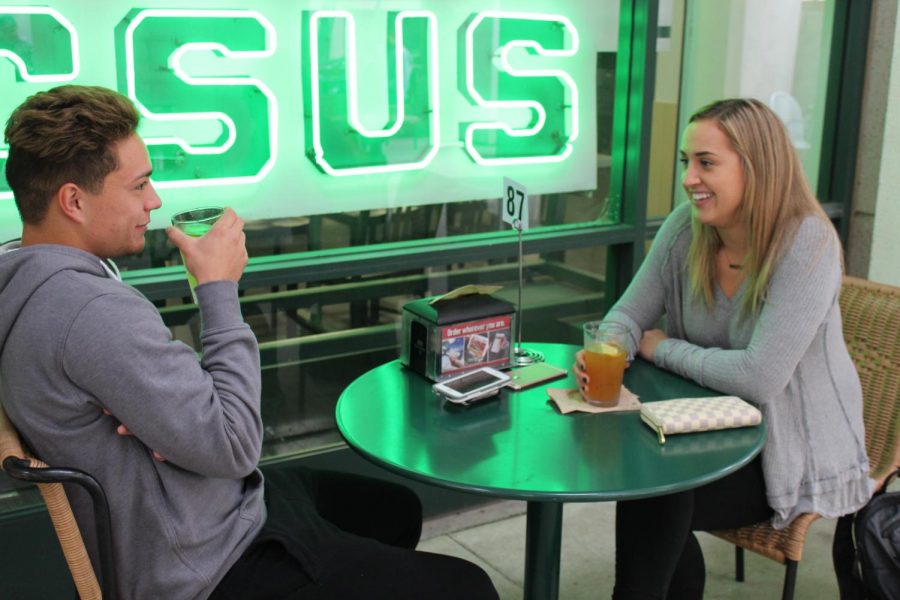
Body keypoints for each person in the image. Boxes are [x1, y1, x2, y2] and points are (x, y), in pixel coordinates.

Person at [0, 85, 498, 600]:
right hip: (208, 562)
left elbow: (197, 419)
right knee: (470, 587)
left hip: (204, 506)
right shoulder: (91, 312)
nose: (155, 201)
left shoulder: (24, 280)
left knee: (394, 509)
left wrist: (172, 416)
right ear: (74, 201)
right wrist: (217, 289)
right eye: (138, 185)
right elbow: (236, 445)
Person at [573, 98, 874, 599]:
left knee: (660, 490)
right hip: (708, 422)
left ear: (757, 167)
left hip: (787, 447)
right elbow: (627, 315)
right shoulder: (684, 229)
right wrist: (611, 347)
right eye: (685, 162)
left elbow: (760, 377)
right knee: (653, 484)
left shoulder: (807, 243)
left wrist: (661, 348)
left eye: (706, 163)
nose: (689, 178)